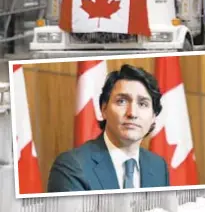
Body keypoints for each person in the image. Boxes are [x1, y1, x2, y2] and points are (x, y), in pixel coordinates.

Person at [47, 64, 170, 192]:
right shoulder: (72, 165)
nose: (132, 113)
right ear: (103, 109)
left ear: (154, 116)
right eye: (122, 101)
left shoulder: (159, 167)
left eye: (143, 104)